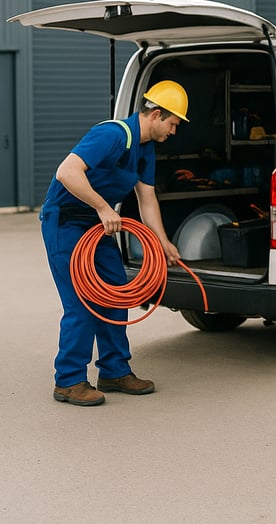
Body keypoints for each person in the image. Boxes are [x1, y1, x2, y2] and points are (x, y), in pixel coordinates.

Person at [40, 80, 188, 406]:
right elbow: (67, 172)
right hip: (65, 222)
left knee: (117, 295)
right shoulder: (113, 135)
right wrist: (103, 207)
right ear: (156, 114)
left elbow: (147, 199)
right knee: (82, 301)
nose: (174, 131)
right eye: (173, 123)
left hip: (99, 225)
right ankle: (68, 381)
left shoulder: (145, 149)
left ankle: (114, 371)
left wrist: (163, 242)